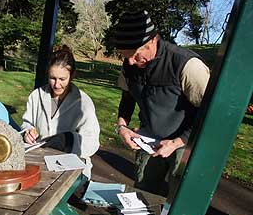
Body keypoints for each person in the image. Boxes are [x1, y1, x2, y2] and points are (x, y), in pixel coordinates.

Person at [111, 10, 210, 196]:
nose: (131, 62)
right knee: (142, 193)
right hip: (149, 139)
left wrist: (177, 142)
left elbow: (209, 114)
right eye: (126, 56)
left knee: (179, 198)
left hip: (185, 143)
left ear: (152, 41)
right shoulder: (129, 65)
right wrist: (122, 127)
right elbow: (127, 98)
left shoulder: (187, 65)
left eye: (135, 54)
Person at [21, 45, 100, 179]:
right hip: (39, 163)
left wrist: (68, 141)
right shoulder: (36, 96)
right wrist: (27, 131)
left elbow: (92, 142)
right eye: (52, 78)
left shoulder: (83, 103)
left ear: (72, 75)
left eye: (62, 79)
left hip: (72, 170)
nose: (57, 85)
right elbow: (26, 123)